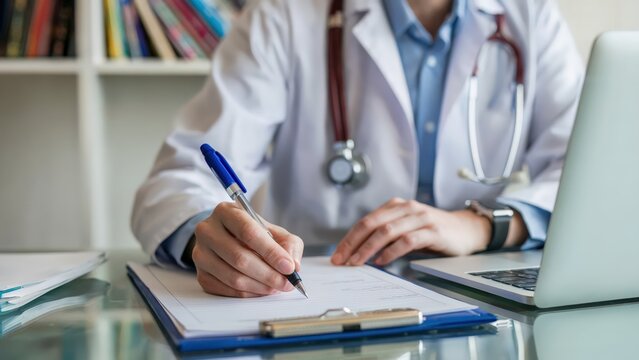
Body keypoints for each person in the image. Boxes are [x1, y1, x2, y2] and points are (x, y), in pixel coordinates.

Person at [131, 0, 583, 298]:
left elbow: (589, 174)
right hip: (319, 289)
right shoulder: (284, 14)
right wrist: (203, 238)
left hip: (478, 290)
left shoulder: (531, 16)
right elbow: (180, 177)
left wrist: (484, 226)